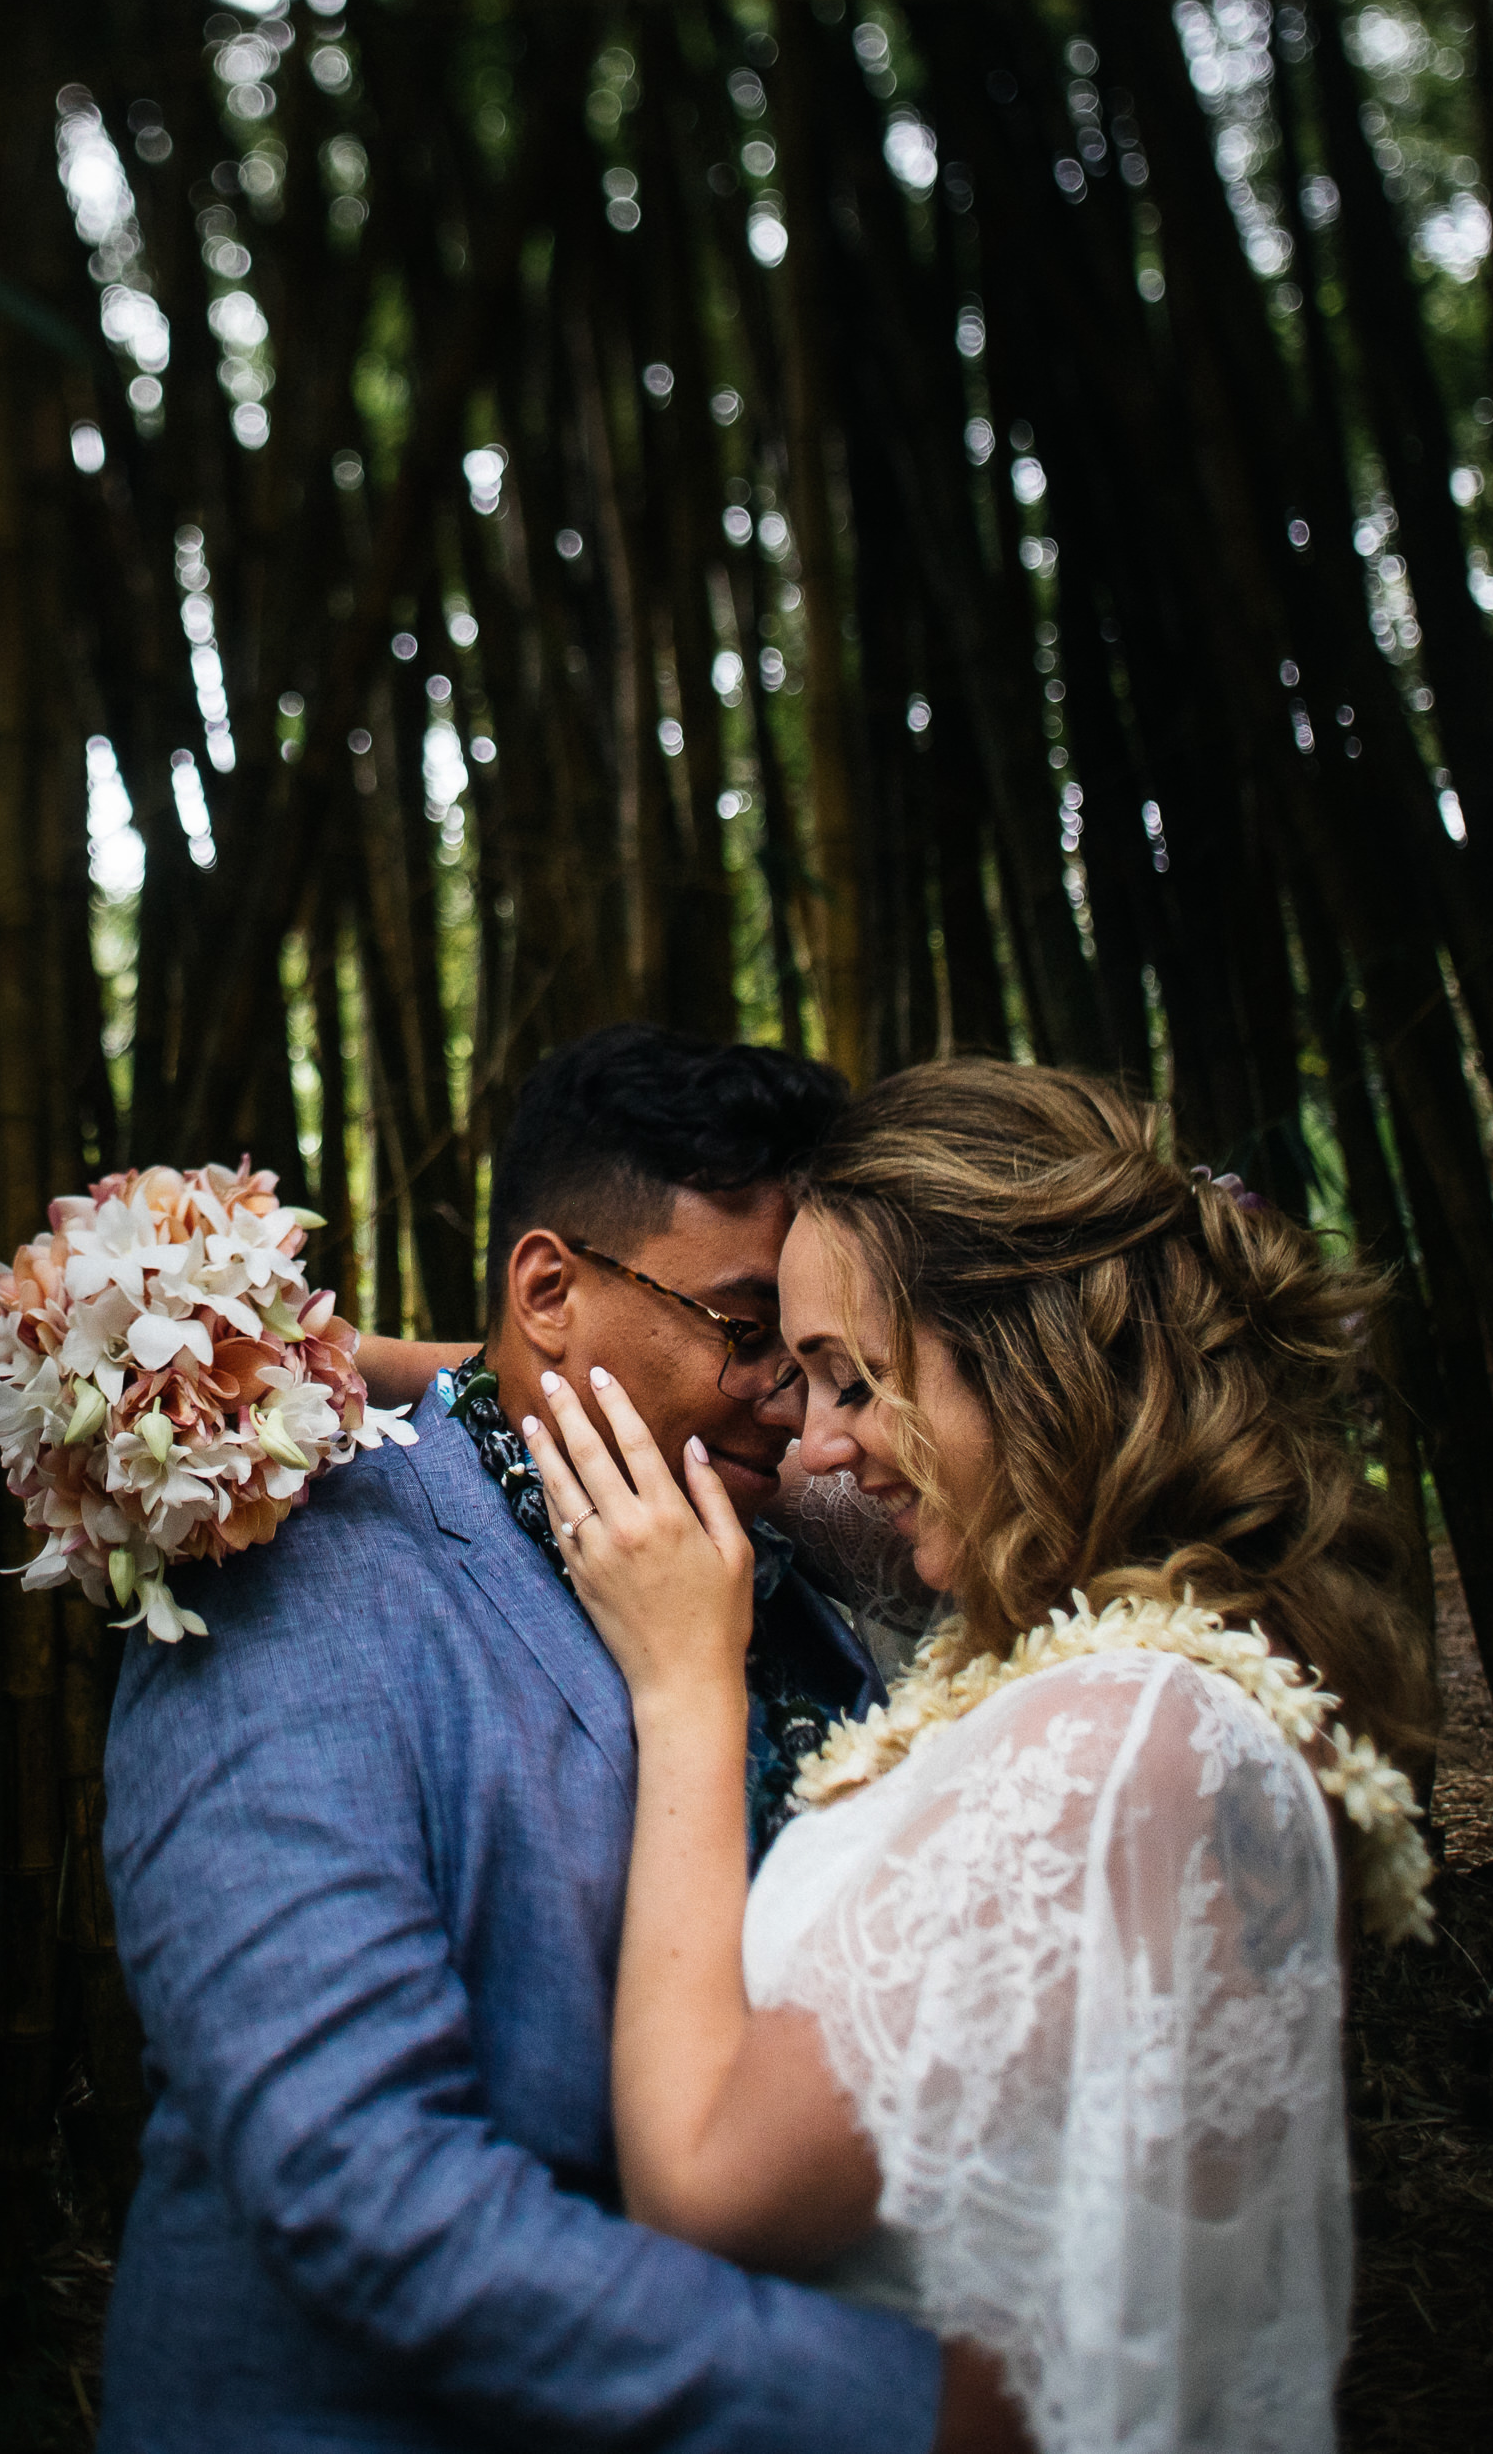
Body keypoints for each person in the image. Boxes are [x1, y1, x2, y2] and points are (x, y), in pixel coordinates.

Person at [96, 1024, 1022, 2453]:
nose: (794, 1400)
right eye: (746, 1330)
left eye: (818, 1347)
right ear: (547, 1288)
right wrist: (904, 2408)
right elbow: (359, 2180)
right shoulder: (303, 1585)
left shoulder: (772, 1531)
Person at [528, 1059, 1434, 2454]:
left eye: (849, 1375)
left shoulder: (1125, 1740)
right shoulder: (1100, 1666)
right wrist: (396, 1371)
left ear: (1024, 1354)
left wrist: (686, 1683)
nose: (818, 1440)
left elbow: (708, 2180)